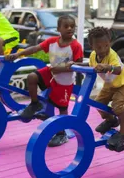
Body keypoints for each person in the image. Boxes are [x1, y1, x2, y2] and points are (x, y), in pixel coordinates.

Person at [5, 15, 82, 147]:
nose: (70, 28)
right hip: (51, 72)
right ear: (59, 29)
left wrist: (62, 68)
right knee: (32, 77)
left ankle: (61, 134)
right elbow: (35, 48)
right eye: (66, 26)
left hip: (64, 80)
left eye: (72, 26)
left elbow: (79, 64)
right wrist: (18, 54)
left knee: (62, 109)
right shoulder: (52, 41)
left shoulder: (76, 45)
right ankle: (35, 103)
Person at [70, 26, 124, 151]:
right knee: (98, 104)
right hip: (109, 85)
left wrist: (108, 67)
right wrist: (75, 64)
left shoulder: (112, 55)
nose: (103, 49)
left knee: (117, 106)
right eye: (99, 47)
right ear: (92, 47)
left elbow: (119, 69)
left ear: (110, 43)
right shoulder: (93, 55)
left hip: (122, 83)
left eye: (106, 45)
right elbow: (90, 64)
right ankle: (111, 120)